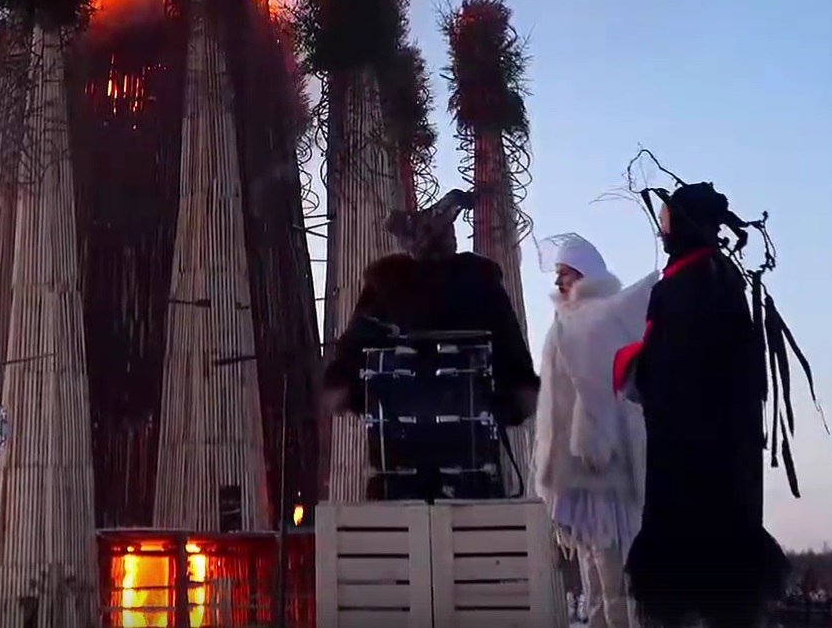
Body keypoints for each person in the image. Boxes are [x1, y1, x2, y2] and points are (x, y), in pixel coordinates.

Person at [613, 181, 791, 628]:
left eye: (667, 220)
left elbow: (673, 368)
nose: (662, 230)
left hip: (687, 458)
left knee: (686, 581)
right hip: (728, 458)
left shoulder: (684, 286)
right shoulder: (720, 278)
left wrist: (631, 364)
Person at [323, 188, 540, 500]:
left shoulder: (392, 286)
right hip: (456, 453)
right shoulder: (475, 284)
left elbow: (355, 347)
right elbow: (509, 349)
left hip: (409, 452)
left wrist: (344, 385)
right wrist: (516, 395)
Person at [535, 234, 656, 628]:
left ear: (585, 275)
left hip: (607, 468)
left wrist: (594, 441)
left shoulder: (601, 319)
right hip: (576, 471)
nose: (558, 282)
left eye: (566, 273)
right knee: (591, 569)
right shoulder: (566, 322)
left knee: (614, 564)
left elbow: (604, 391)